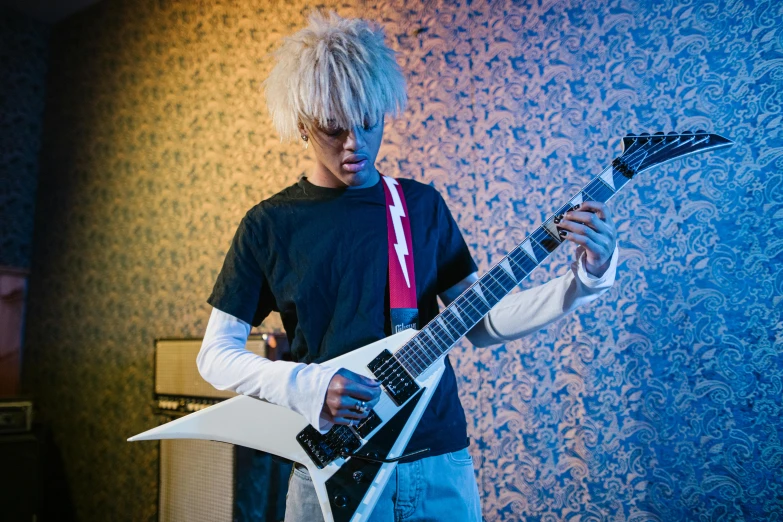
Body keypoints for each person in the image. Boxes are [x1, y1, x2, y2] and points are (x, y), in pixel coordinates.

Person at [197, 11, 619, 522]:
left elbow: (482, 323)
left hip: (437, 461)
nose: (355, 144)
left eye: (369, 122)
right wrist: (308, 387)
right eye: (333, 129)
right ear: (303, 125)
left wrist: (583, 281)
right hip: (333, 469)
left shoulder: (418, 206)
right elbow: (215, 356)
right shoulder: (269, 225)